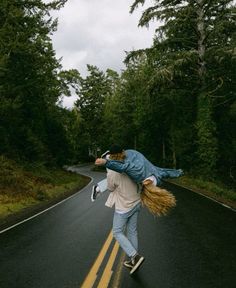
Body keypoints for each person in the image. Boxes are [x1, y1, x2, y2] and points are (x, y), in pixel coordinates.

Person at [93, 145, 183, 216]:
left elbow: (166, 172)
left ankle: (98, 188)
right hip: (130, 160)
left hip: (133, 153)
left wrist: (178, 172)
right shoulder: (139, 174)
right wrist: (106, 162)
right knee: (118, 175)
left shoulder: (157, 173)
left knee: (118, 177)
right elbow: (122, 167)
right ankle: (99, 185)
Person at [106, 167, 144, 275]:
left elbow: (110, 188)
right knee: (132, 231)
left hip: (124, 206)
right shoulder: (131, 165)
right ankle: (133, 261)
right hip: (136, 202)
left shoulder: (112, 171)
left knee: (117, 232)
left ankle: (134, 256)